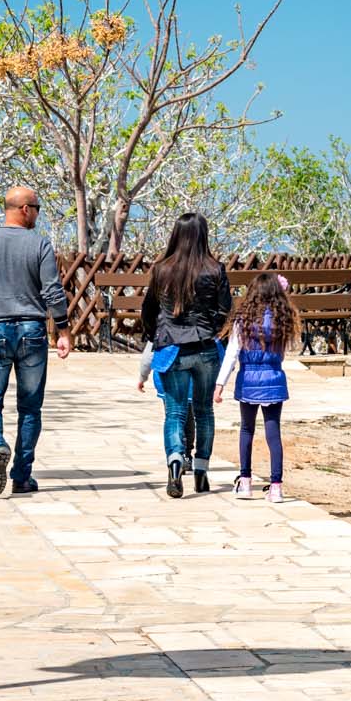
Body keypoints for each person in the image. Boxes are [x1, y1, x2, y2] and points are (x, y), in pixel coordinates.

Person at [0, 186, 72, 496]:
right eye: (36, 208)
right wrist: (63, 330)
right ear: (24, 209)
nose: (37, 213)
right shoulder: (40, 245)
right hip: (32, 331)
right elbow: (52, 291)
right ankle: (21, 475)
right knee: (30, 408)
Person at [134, 212, 229, 498]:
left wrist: (154, 337)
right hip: (204, 347)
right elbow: (225, 309)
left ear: (176, 235)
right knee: (204, 411)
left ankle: (175, 462)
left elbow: (149, 310)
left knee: (174, 412)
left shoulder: (162, 269)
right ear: (204, 235)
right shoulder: (215, 269)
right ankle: (201, 470)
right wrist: (211, 328)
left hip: (171, 347)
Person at [215, 272, 298, 503]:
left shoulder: (242, 320)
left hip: (248, 381)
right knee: (274, 434)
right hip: (274, 379)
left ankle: (245, 482)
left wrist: (219, 384)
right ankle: (276, 487)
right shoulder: (283, 321)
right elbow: (288, 349)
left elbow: (231, 355)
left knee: (246, 430)